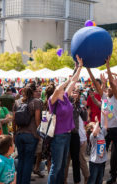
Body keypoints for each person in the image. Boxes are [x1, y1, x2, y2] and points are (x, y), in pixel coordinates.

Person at [87, 57, 117, 184]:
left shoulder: (116, 97)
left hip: (116, 129)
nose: (109, 88)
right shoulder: (104, 97)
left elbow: (111, 81)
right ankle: (99, 178)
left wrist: (108, 66)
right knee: (101, 155)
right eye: (107, 87)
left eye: (112, 86)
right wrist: (88, 68)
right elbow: (95, 82)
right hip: (105, 130)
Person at [47, 55, 83, 184]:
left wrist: (80, 67)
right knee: (56, 167)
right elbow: (58, 88)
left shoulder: (66, 97)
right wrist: (67, 81)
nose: (63, 90)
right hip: (58, 136)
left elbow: (74, 81)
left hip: (67, 135)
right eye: (62, 88)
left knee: (62, 167)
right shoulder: (53, 101)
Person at [13, 83, 42, 184]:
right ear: (34, 91)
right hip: (31, 135)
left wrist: (14, 134)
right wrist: (39, 134)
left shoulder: (17, 102)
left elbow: (13, 120)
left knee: (21, 160)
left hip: (19, 135)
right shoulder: (36, 102)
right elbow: (37, 119)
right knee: (28, 162)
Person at [64, 87, 88, 184]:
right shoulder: (65, 102)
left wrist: (84, 107)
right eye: (73, 91)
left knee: (76, 160)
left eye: (77, 92)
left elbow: (85, 117)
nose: (75, 93)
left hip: (75, 134)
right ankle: (64, 179)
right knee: (66, 159)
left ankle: (77, 181)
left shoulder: (79, 104)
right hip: (65, 134)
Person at [86, 111, 108, 184]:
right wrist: (97, 121)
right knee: (92, 179)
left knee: (100, 179)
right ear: (92, 130)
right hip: (94, 162)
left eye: (98, 125)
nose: (98, 126)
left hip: (102, 161)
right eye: (95, 126)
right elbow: (95, 132)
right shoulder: (93, 137)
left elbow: (105, 126)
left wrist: (105, 116)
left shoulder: (102, 133)